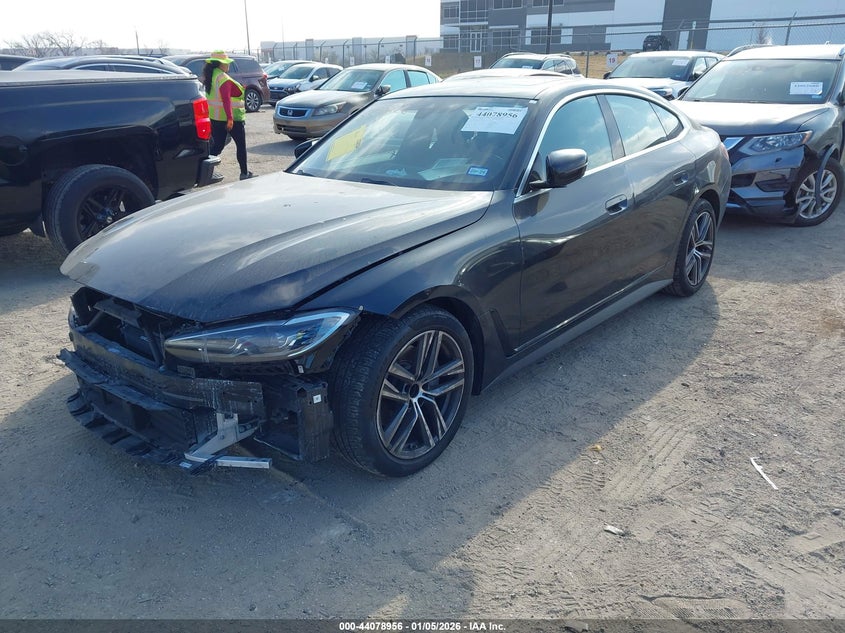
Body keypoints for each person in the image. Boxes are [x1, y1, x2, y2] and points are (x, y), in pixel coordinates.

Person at [202, 50, 254, 181]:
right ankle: (244, 173)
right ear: (220, 64)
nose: (228, 65)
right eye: (226, 62)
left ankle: (205, 172)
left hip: (216, 118)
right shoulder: (223, 78)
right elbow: (226, 99)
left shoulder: (210, 76)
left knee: (217, 146)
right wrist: (230, 119)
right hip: (232, 119)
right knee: (240, 145)